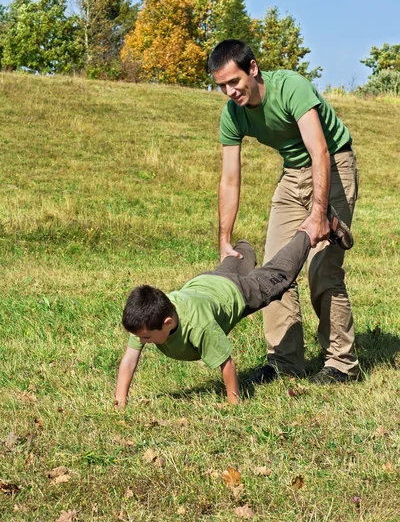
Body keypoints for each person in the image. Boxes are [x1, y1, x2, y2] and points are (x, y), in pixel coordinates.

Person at [208, 39, 359, 384]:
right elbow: (229, 179)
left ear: (253, 68)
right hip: (293, 174)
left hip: (334, 165)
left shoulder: (291, 87)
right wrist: (224, 239)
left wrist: (320, 214)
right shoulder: (233, 114)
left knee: (322, 267)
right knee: (275, 269)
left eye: (234, 81)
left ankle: (341, 364)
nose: (230, 91)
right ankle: (285, 362)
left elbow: (319, 149)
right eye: (222, 86)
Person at [115, 212, 352, 407]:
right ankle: (244, 248)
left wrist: (233, 402)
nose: (141, 341)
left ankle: (311, 231)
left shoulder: (200, 327)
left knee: (278, 278)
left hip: (237, 293)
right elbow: (129, 360)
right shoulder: (147, 318)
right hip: (208, 282)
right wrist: (120, 399)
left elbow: (226, 364)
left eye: (146, 337)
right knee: (234, 262)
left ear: (167, 323)